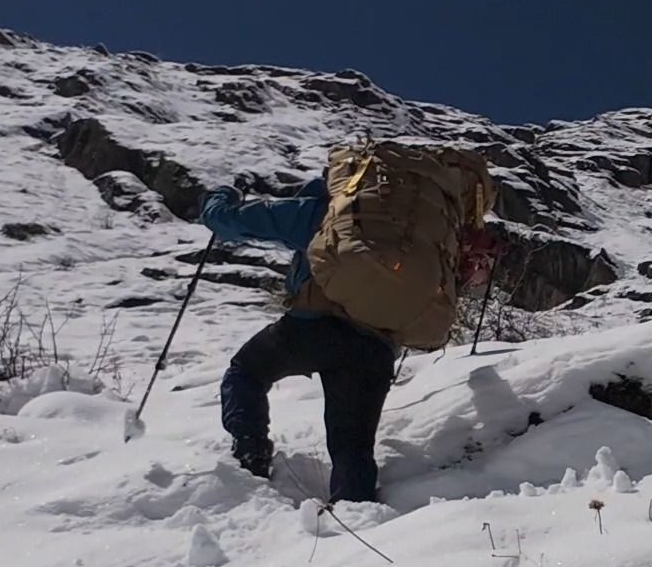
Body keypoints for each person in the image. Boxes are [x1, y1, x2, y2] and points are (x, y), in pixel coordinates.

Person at [198, 175, 497, 503]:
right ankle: (352, 517)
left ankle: (250, 456)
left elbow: (225, 221)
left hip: (311, 329)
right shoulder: (421, 231)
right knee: (352, 448)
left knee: (246, 372)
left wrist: (222, 194)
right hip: (375, 349)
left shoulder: (327, 209)